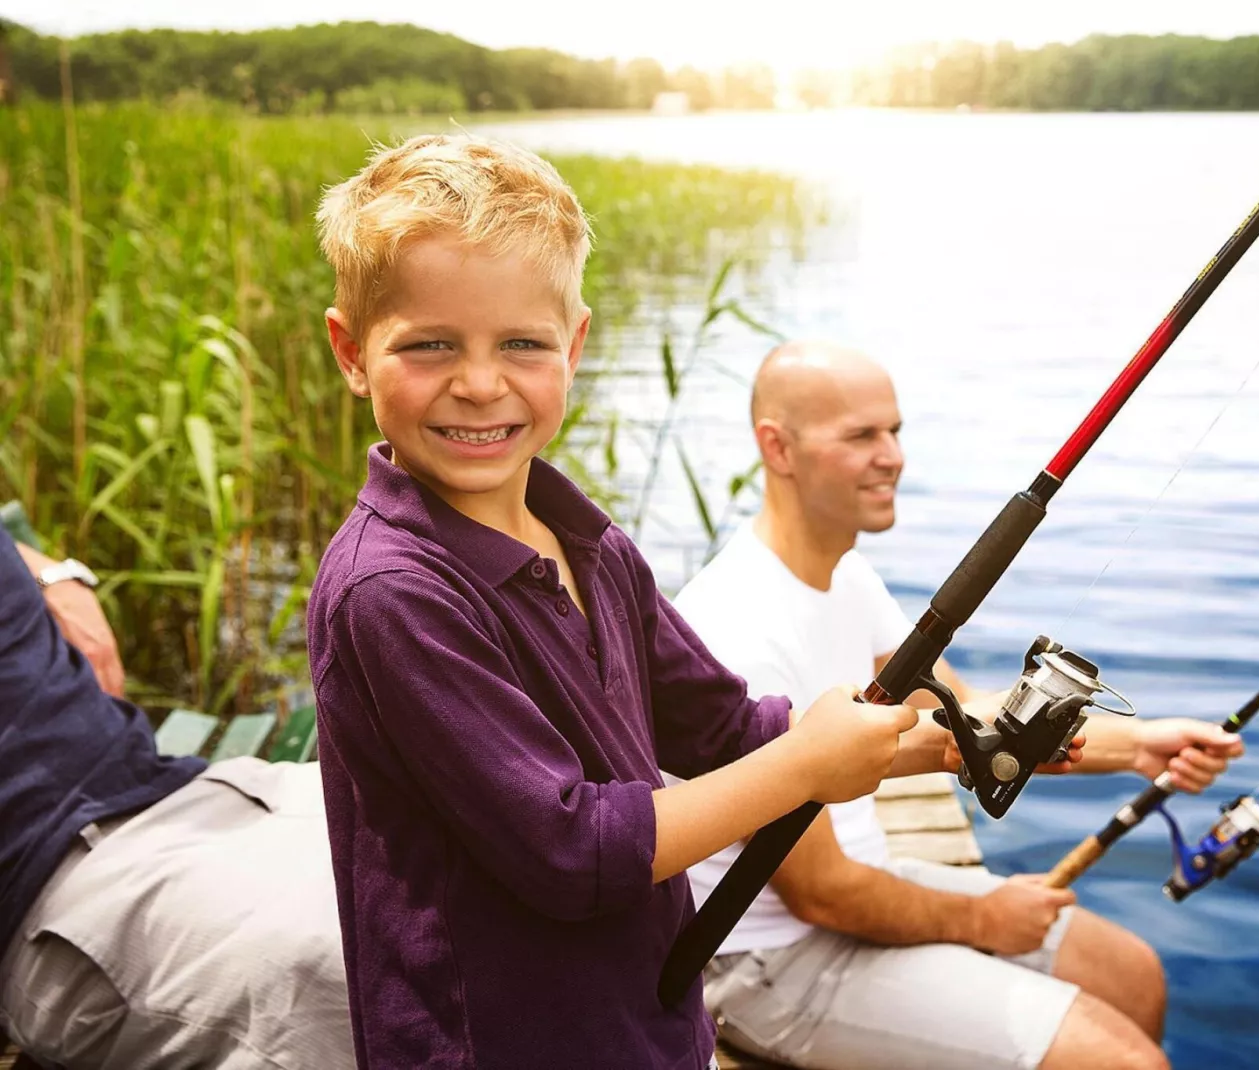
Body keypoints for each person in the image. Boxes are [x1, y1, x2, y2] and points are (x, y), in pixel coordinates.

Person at [304, 135, 1016, 1070]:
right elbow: (571, 848)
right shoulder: (392, 593)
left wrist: (901, 744)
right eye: (430, 345)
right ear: (353, 353)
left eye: (522, 343)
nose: (480, 383)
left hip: (645, 1018)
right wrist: (807, 767)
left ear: (577, 344)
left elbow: (719, 725)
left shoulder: (585, 538)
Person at [672, 341, 1248, 1070]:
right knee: (1125, 1063)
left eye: (895, 432)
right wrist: (984, 917)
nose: (893, 457)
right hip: (766, 960)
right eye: (862, 436)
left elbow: (971, 721)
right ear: (776, 447)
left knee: (1130, 975)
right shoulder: (738, 629)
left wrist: (1139, 748)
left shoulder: (844, 573)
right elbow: (822, 894)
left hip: (858, 887)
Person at [0, 526, 355, 1068]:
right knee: (392, 968)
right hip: (65, 888)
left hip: (188, 796)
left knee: (482, 852)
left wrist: (47, 571)